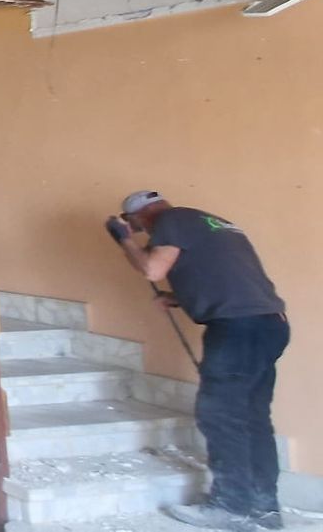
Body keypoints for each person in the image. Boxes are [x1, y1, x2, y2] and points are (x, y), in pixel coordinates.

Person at [107, 190, 289, 531]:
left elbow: (152, 268)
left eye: (137, 227)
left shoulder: (171, 221)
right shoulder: (211, 222)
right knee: (252, 418)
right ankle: (265, 509)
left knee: (220, 415)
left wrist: (124, 240)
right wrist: (178, 298)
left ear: (141, 216)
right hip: (268, 324)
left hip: (237, 330)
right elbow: (225, 277)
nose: (145, 236)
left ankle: (230, 506)